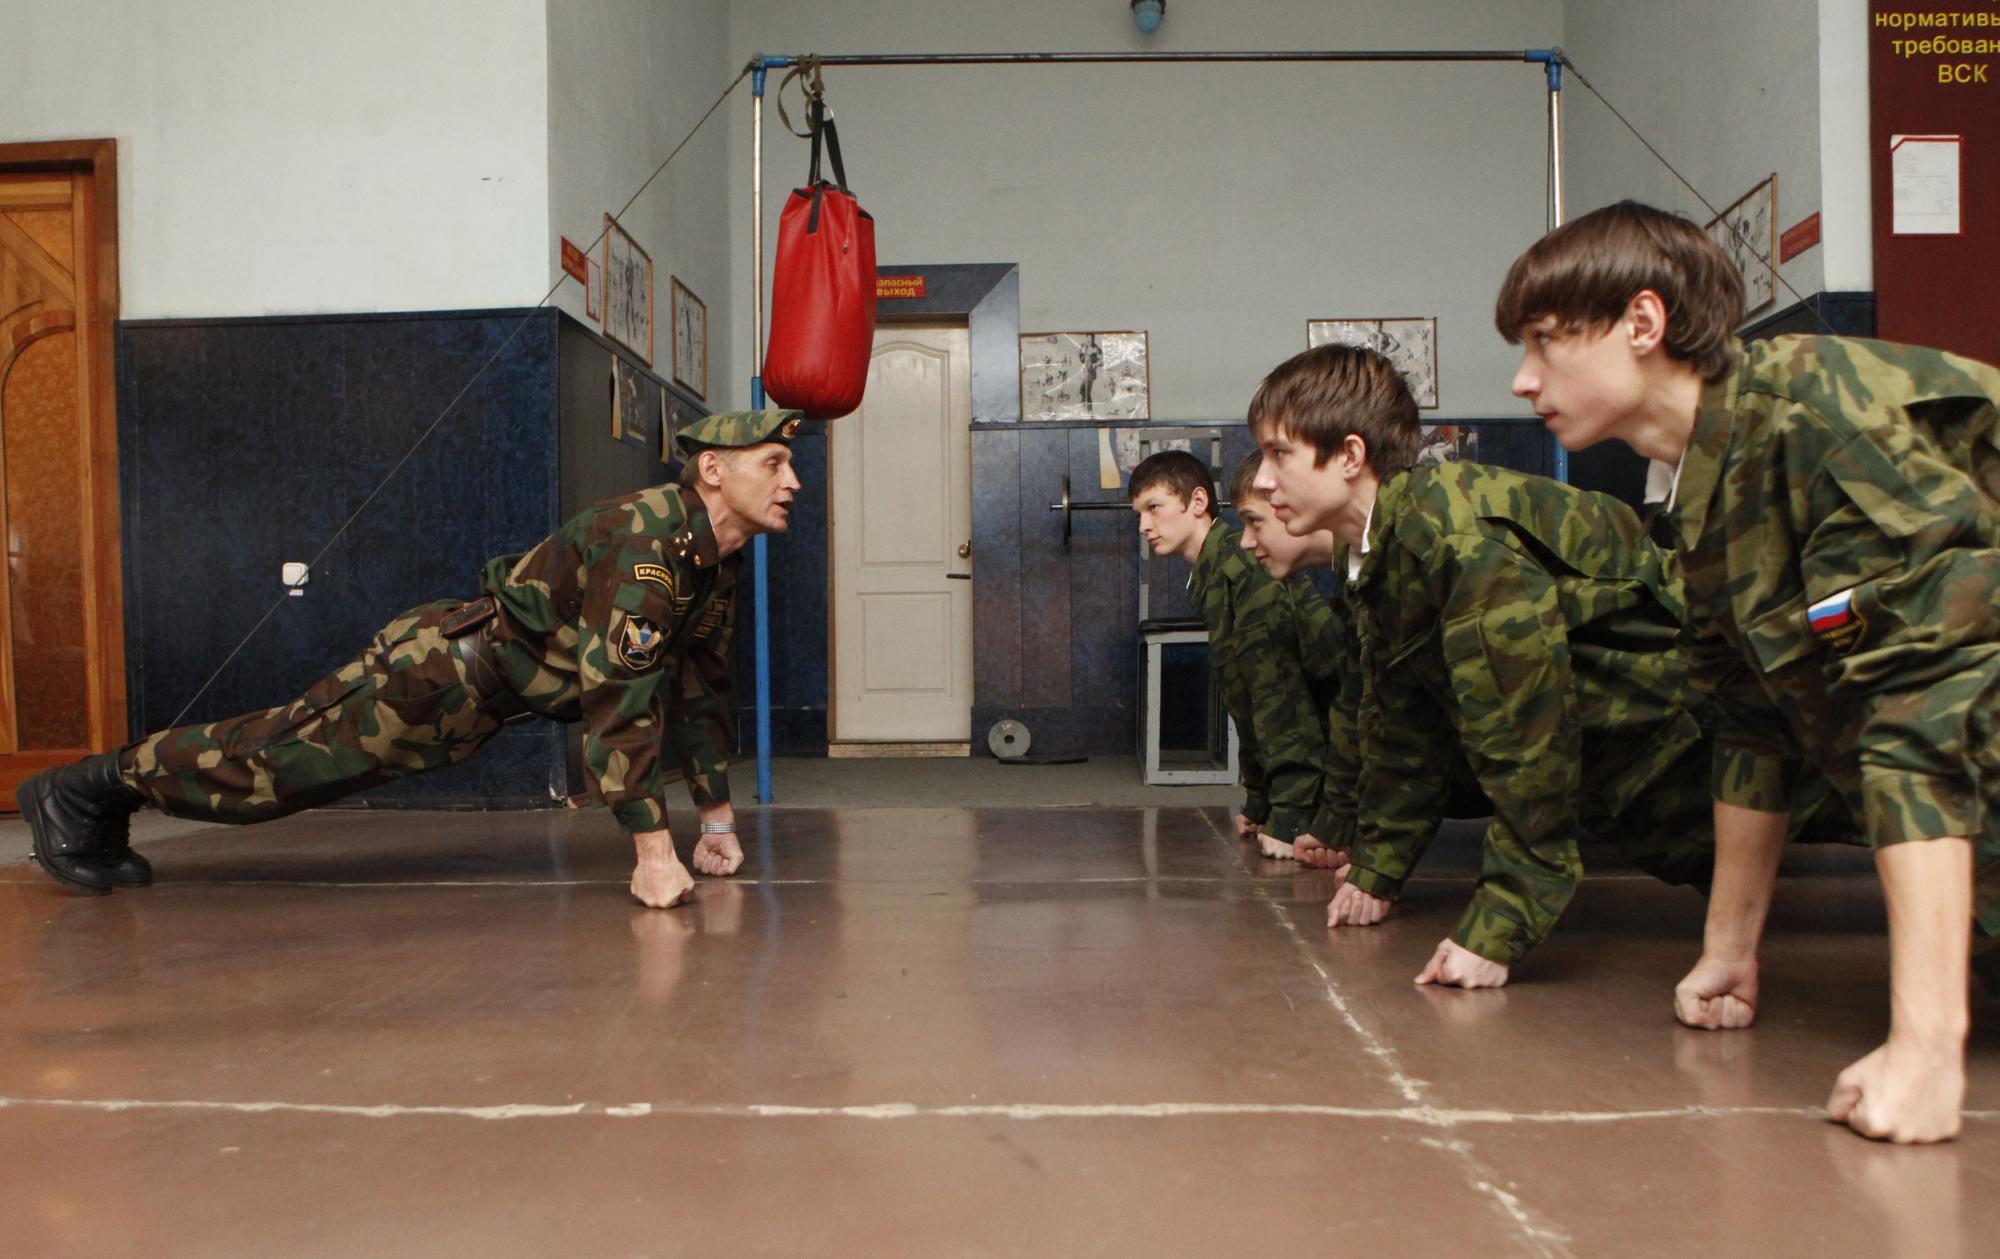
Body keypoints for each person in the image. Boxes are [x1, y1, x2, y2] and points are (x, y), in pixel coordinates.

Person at [1496, 199, 2000, 1144]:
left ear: (1641, 324)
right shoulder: (1696, 489)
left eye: (1544, 342)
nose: (1523, 380)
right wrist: (1729, 949)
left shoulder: (1822, 422)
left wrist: (1928, 1051)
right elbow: (1749, 723)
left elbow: (1923, 712)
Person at [20, 409, 808, 912]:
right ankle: (81, 787)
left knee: (274, 770)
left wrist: (714, 820)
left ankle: (101, 798)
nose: (793, 481)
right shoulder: (647, 546)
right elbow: (620, 697)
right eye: (773, 462)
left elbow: (702, 688)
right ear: (714, 469)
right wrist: (650, 849)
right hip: (432, 675)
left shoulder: (714, 560)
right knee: (269, 769)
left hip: (472, 698)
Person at [1249, 343, 1721, 984]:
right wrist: (1379, 868)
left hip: (1707, 721)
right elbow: (1401, 721)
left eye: (1280, 454)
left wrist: (1500, 925)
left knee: (1877, 807)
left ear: (1351, 456)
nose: (1262, 481)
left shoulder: (1454, 539)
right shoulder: (1374, 550)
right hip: (1640, 751)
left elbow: (1527, 738)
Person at [1128, 449, 1337, 861]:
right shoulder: (1214, 571)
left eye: (1154, 507)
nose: (1144, 525)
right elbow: (1246, 697)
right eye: (1138, 514)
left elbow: (1282, 700)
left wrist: (1291, 817)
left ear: (1198, 503)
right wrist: (1261, 803)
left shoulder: (1243, 566)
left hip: (1349, 743)